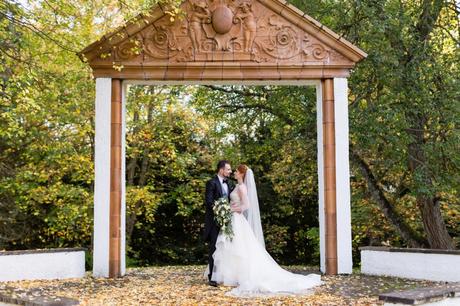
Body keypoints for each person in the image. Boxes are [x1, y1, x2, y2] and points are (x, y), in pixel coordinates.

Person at [210, 164, 322, 297]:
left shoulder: (242, 188)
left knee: (240, 248)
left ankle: (242, 276)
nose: (233, 173)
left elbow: (246, 205)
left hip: (237, 219)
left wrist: (230, 209)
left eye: (236, 171)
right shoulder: (236, 186)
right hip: (233, 220)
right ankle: (234, 276)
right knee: (234, 248)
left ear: (241, 174)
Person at [203, 160, 234, 287]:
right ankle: (212, 277)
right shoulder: (211, 183)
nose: (230, 171)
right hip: (215, 222)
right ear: (221, 170)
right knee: (214, 248)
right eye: (228, 169)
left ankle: (225, 275)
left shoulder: (230, 184)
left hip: (228, 222)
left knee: (227, 249)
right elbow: (209, 202)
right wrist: (220, 211)